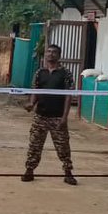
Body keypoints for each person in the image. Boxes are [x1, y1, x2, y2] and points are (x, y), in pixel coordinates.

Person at [21, 43, 77, 185]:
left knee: (63, 146)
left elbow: (68, 96)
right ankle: (29, 170)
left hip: (57, 117)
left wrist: (64, 117)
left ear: (59, 55)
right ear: (45, 55)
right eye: (49, 51)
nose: (51, 54)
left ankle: (68, 173)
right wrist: (31, 104)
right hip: (40, 116)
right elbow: (35, 90)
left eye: (54, 52)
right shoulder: (40, 73)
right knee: (34, 145)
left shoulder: (66, 74)